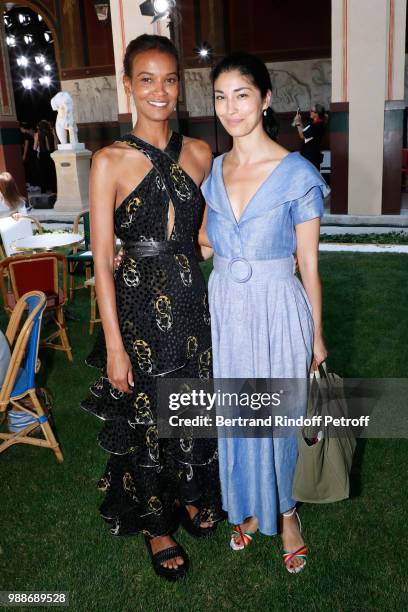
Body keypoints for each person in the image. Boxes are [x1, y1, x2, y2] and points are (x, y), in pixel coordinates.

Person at [81, 34, 223, 582]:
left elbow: (206, 239)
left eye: (169, 79)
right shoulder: (108, 161)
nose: (159, 91)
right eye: (146, 79)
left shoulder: (200, 153)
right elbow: (100, 263)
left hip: (191, 302)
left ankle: (189, 492)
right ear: (128, 85)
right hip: (137, 309)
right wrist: (114, 345)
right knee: (146, 417)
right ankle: (158, 522)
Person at [199, 53, 329, 574]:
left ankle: (289, 513)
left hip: (278, 307)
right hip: (227, 306)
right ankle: (252, 508)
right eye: (220, 97)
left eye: (242, 95)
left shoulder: (296, 172)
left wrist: (317, 338)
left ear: (266, 98)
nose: (230, 108)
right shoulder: (213, 169)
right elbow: (207, 242)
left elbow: (310, 265)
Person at [294, 103, 326, 170]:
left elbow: (302, 135)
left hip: (311, 157)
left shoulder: (318, 126)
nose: (310, 112)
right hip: (310, 156)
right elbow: (304, 132)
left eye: (312, 111)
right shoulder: (314, 124)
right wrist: (299, 121)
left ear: (317, 114)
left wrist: (297, 123)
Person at [34, 120, 57, 193]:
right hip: (52, 154)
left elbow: (34, 147)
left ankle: (44, 190)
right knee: (52, 172)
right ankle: (54, 189)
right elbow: (56, 146)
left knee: (43, 172)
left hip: (43, 155)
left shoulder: (38, 134)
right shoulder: (52, 133)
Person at [19, 123, 39, 189]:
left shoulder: (26, 134)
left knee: (31, 168)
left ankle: (34, 184)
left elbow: (26, 145)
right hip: (33, 152)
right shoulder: (30, 133)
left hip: (30, 153)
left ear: (22, 128)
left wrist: (24, 155)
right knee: (33, 168)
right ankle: (34, 184)